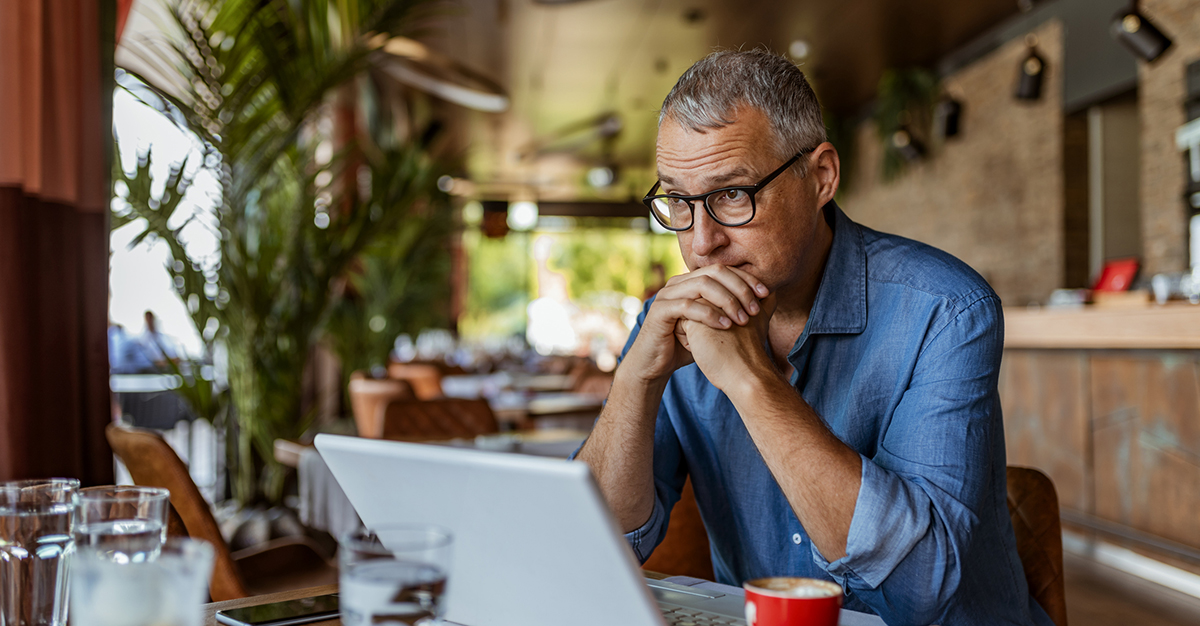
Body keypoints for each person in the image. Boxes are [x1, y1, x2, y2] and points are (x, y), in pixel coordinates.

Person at [575, 50, 1053, 625]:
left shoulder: (946, 310)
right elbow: (595, 551)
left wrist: (750, 381)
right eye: (678, 200)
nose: (701, 244)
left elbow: (922, 588)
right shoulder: (669, 323)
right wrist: (635, 379)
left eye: (731, 194)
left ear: (820, 176)